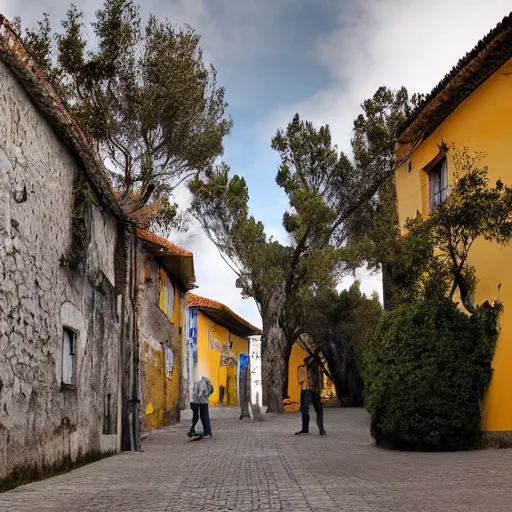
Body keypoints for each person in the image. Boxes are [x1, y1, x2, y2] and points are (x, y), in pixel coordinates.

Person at [295, 361, 326, 436]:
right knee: (305, 409)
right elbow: (300, 380)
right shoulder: (302, 368)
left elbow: (320, 380)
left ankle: (321, 429)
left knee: (318, 408)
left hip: (313, 389)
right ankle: (306, 429)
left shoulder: (317, 367)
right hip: (306, 389)